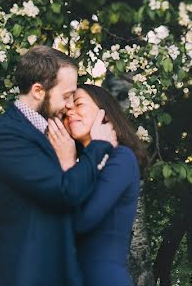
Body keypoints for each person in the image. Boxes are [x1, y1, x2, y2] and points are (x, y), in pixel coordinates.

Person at [0, 46, 118, 286]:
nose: (69, 105)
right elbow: (63, 192)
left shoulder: (50, 132)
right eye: (66, 96)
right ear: (38, 91)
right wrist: (98, 146)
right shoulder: (8, 136)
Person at [48, 82, 148, 286]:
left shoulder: (121, 158)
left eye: (79, 104)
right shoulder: (78, 165)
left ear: (105, 112)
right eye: (66, 113)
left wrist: (68, 166)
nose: (71, 112)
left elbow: (82, 221)